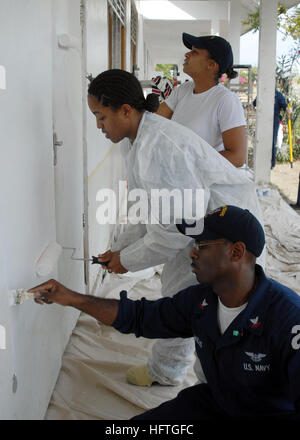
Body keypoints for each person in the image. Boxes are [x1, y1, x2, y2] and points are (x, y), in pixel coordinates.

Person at [63, 68, 264, 388]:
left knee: (216, 311)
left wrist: (126, 260)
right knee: (179, 292)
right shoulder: (139, 139)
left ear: (125, 110)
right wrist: (120, 249)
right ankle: (167, 370)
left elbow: (171, 232)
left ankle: (219, 387)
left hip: (227, 229)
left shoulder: (160, 146)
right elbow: (145, 208)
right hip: (195, 222)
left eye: (101, 116)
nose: (98, 126)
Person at [29, 206, 300, 420]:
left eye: (203, 246)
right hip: (215, 405)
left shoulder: (288, 319)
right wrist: (71, 298)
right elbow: (139, 316)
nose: (193, 253)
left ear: (237, 252)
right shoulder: (200, 302)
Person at [157, 33, 246, 167]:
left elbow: (237, 157)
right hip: (176, 178)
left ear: (211, 65)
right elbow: (156, 122)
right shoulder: (184, 90)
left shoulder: (225, 100)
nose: (187, 55)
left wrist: (189, 162)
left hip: (203, 185)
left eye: (194, 52)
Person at [253, 89, 287, 168]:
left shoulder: (278, 95)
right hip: (263, 120)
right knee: (262, 140)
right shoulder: (263, 93)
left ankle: (272, 163)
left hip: (274, 121)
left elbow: (285, 107)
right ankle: (262, 161)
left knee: (272, 141)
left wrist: (288, 109)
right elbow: (254, 103)